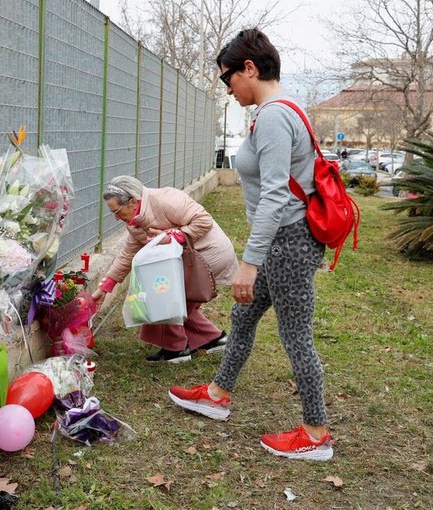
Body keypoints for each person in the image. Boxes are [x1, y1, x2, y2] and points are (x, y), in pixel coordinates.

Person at [167, 28, 334, 461]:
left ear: (249, 68)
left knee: (296, 335)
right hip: (281, 241)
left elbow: (277, 193)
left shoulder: (276, 115)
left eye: (228, 79)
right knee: (242, 319)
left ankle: (315, 434)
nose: (228, 89)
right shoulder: (277, 109)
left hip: (288, 243)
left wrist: (250, 262)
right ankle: (217, 394)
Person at [91, 175, 238, 363]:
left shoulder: (166, 199)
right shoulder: (134, 223)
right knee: (172, 297)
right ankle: (212, 339)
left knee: (164, 294)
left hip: (208, 253)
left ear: (133, 202)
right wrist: (105, 287)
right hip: (188, 258)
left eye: (117, 212)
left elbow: (203, 220)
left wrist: (174, 236)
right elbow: (128, 255)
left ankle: (176, 348)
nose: (117, 218)